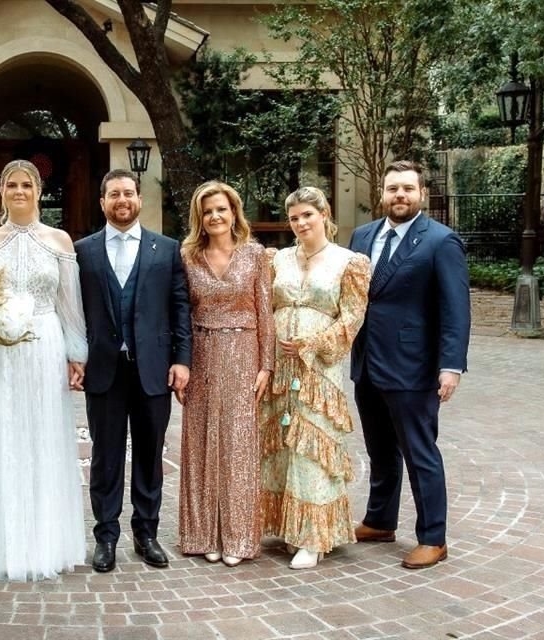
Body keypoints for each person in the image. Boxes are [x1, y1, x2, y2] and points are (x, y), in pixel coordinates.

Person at [0, 159, 88, 581]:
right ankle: (0, 541)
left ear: (38, 190)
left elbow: (70, 304)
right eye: (11, 184)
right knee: (1, 434)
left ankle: (45, 540)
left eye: (26, 184)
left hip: (45, 345)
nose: (19, 191)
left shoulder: (60, 241)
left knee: (43, 436)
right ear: (1, 190)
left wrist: (75, 354)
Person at [349, 160, 470, 570]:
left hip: (413, 366)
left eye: (407, 189)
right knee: (379, 449)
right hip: (367, 362)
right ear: (381, 194)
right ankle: (380, 520)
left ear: (422, 195)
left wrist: (451, 365)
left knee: (419, 452)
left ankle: (433, 537)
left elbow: (456, 309)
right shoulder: (362, 236)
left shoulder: (440, 241)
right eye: (392, 189)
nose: (399, 195)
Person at [75, 169, 192, 573]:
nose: (121, 200)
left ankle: (147, 533)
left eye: (128, 193)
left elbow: (180, 308)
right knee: (105, 458)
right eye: (113, 195)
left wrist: (182, 359)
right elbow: (73, 311)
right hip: (104, 370)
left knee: (148, 454)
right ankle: (106, 536)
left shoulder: (167, 248)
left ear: (139, 199)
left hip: (153, 370)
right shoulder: (83, 251)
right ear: (102, 202)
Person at [259, 187, 370, 570]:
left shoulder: (349, 262)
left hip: (319, 368)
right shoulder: (278, 259)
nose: (301, 223)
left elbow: (352, 318)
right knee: (281, 444)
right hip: (279, 364)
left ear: (324, 214)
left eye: (308, 214)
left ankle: (313, 537)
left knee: (312, 444)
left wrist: (313, 343)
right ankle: (286, 526)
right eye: (294, 218)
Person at [177, 181, 274, 567]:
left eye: (222, 209)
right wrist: (179, 363)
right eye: (208, 211)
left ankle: (237, 536)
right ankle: (203, 535)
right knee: (200, 444)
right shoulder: (187, 256)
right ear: (199, 218)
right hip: (200, 354)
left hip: (243, 354)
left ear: (234, 212)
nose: (215, 216)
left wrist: (266, 364)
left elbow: (265, 311)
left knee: (237, 448)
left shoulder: (255, 255)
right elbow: (180, 313)